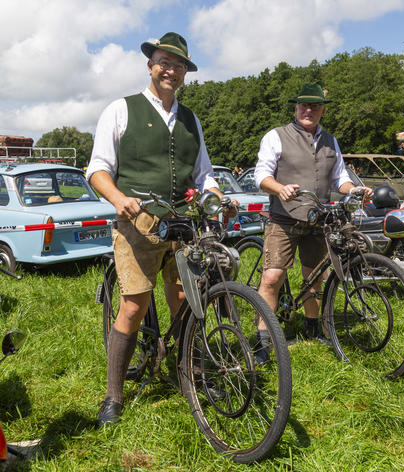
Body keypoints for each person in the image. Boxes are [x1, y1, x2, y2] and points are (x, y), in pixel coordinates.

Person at [86, 32, 237, 427]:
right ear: (150, 64)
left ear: (186, 73)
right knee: (134, 306)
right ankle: (113, 397)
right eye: (164, 62)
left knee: (187, 300)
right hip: (138, 221)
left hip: (184, 221)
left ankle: (193, 375)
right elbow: (97, 169)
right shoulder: (121, 110)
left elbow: (204, 174)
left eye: (179, 65)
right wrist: (120, 199)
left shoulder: (191, 120)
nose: (171, 70)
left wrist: (217, 196)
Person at [253, 83, 373, 361]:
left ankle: (311, 329)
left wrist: (353, 189)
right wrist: (278, 187)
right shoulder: (276, 136)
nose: (309, 110)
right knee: (272, 277)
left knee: (314, 276)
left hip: (318, 219)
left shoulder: (330, 140)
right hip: (284, 218)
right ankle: (263, 340)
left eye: (315, 106)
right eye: (304, 105)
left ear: (322, 110)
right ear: (296, 108)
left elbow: (340, 178)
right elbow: (261, 175)